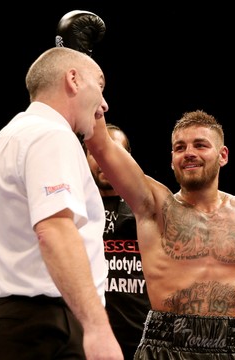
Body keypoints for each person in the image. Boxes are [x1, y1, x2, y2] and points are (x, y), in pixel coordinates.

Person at [83, 109, 235, 359]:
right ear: (171, 157)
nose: (189, 153)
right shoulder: (155, 207)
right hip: (166, 343)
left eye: (200, 145)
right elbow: (102, 146)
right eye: (180, 147)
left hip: (234, 344)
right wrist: (94, 100)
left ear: (223, 155)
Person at [0, 47, 123, 360]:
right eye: (100, 86)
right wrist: (97, 328)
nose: (104, 104)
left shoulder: (6, 137)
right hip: (45, 329)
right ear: (73, 80)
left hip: (8, 325)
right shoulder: (50, 136)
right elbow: (54, 230)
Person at [85, 123, 152, 359]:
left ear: (127, 158)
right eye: (94, 152)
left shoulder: (151, 209)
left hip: (144, 341)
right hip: (89, 339)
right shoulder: (72, 211)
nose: (103, 158)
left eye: (114, 149)